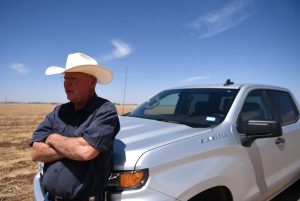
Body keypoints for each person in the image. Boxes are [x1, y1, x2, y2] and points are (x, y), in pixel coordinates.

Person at [30, 53, 120, 201]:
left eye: (73, 78)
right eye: (65, 78)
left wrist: (52, 138)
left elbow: (85, 151)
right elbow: (35, 153)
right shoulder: (59, 111)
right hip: (49, 197)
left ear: (92, 82)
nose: (66, 83)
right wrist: (73, 147)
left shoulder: (105, 110)